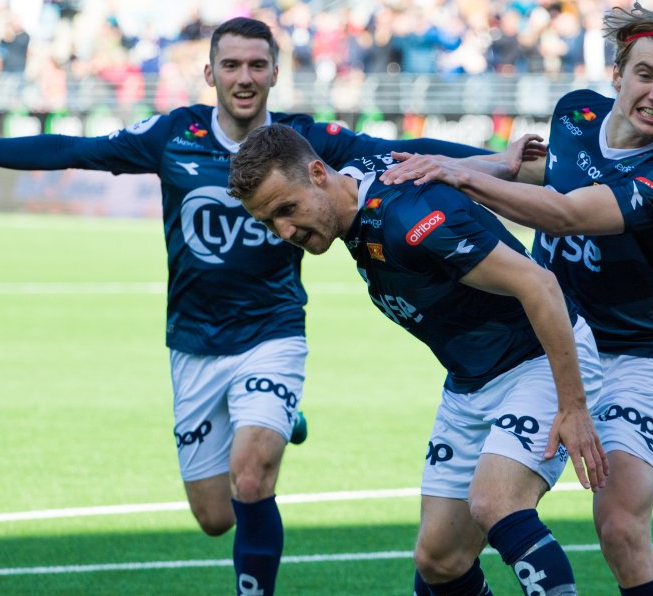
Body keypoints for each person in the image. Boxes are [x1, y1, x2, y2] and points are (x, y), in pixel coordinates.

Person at [0, 17, 488, 596]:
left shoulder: (307, 141)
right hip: (193, 342)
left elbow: (403, 148)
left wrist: (485, 162)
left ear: (276, 73)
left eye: (257, 64)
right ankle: (282, 420)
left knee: (252, 473)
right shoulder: (174, 135)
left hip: (273, 332)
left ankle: (268, 430)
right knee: (215, 515)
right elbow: (75, 148)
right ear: (210, 74)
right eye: (231, 65)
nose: (244, 76)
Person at [379, 0, 653, 596]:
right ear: (617, 73)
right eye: (645, 74)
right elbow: (546, 174)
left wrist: (463, 176)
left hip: (627, 356)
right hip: (538, 348)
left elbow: (564, 214)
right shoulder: (574, 113)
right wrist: (465, 165)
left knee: (620, 530)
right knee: (442, 553)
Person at [227, 123, 608, 596]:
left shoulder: (411, 223)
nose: (284, 231)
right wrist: (500, 164)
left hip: (538, 359)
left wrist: (573, 407)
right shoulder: (362, 182)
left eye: (287, 209)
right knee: (439, 559)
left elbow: (540, 285)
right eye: (268, 222)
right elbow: (427, 167)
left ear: (318, 173)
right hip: (471, 380)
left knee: (496, 503)